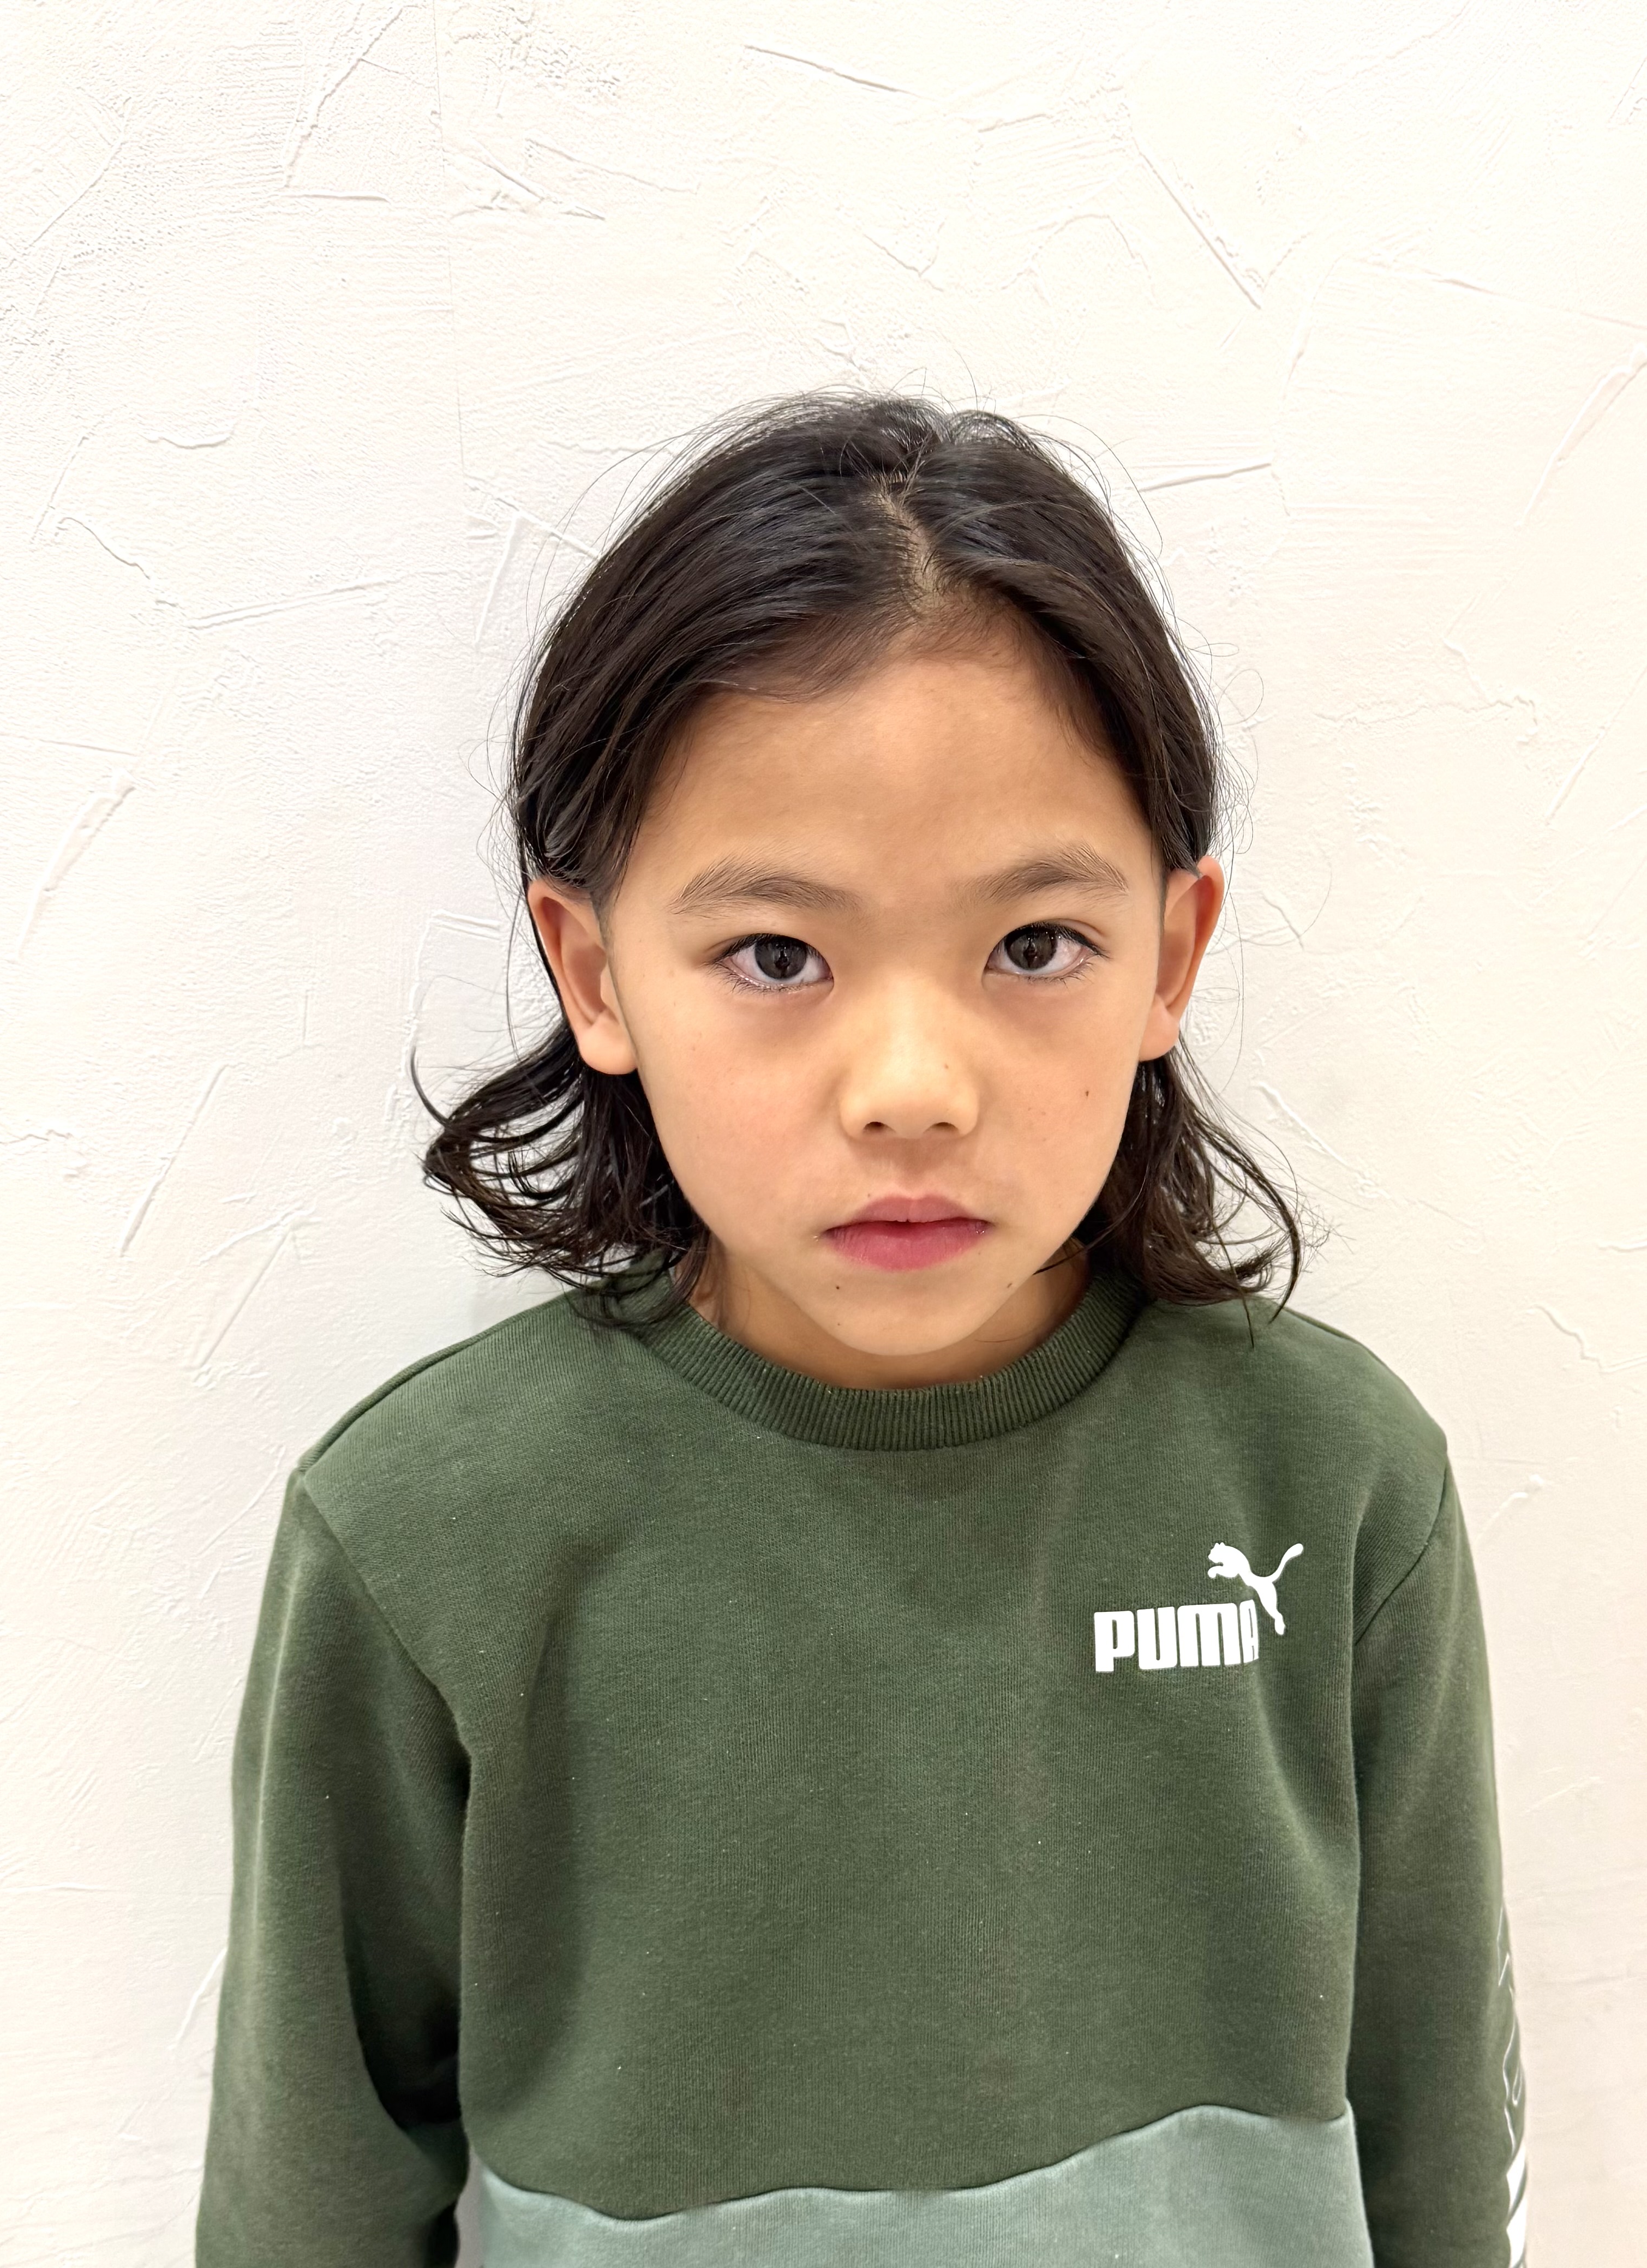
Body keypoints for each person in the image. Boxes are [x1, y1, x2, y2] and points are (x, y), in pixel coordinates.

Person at [196, 395, 1526, 2267]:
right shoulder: (427, 1529)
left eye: (1033, 946)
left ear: (1171, 954)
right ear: (595, 970)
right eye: (778, 957)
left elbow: (1443, 2150)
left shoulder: (1336, 1485)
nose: (911, 1085)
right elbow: (309, 2206)